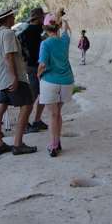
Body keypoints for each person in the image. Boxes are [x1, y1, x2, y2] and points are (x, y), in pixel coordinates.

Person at [0, 6, 36, 156]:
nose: (14, 19)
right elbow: (9, 57)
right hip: (13, 77)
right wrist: (15, 77)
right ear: (8, 18)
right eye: (13, 16)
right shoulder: (9, 34)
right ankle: (18, 144)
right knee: (27, 105)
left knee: (0, 109)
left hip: (2, 79)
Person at [38, 13, 74, 157]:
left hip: (50, 82)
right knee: (58, 113)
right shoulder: (65, 40)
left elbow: (43, 64)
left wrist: (38, 74)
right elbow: (67, 30)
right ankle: (57, 141)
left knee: (53, 115)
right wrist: (63, 22)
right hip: (66, 81)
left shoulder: (45, 43)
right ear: (57, 27)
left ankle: (53, 145)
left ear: (45, 27)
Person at [17, 7, 49, 133]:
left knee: (37, 94)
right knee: (36, 95)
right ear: (40, 18)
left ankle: (33, 121)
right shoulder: (40, 31)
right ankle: (28, 123)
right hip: (38, 66)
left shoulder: (23, 33)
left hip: (29, 66)